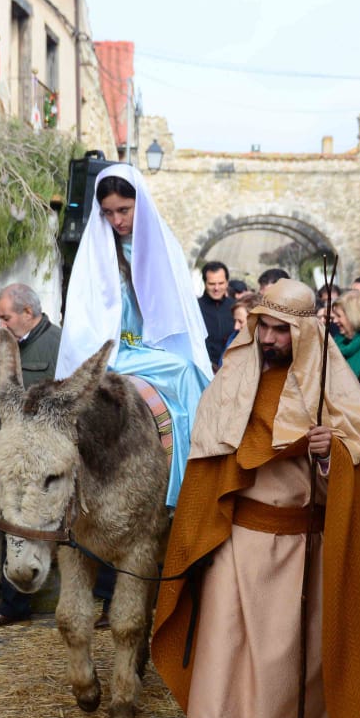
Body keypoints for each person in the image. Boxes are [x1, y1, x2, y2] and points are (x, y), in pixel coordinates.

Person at [152, 278, 360, 718]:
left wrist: (330, 454)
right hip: (236, 534)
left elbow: (357, 463)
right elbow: (209, 456)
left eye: (282, 330)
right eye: (264, 326)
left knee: (288, 651)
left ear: (304, 333)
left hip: (298, 540)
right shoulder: (232, 379)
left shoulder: (332, 385)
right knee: (223, 645)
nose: (270, 339)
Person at [57, 164, 213, 508]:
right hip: (115, 351)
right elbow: (86, 318)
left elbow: (175, 312)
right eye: (108, 213)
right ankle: (185, 491)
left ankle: (205, 469)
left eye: (124, 210)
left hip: (149, 347)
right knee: (184, 372)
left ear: (139, 204)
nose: (117, 220)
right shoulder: (96, 254)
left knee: (191, 373)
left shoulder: (163, 248)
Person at [0, 284, 65, 628]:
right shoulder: (11, 346)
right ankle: (13, 605)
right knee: (14, 525)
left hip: (47, 458)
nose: (2, 324)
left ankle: (105, 600)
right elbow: (3, 402)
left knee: (76, 528)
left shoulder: (58, 344)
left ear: (28, 312)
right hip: (15, 458)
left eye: (6, 316)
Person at [197, 260, 235, 369]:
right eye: (212, 284)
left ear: (227, 282)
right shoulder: (194, 309)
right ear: (204, 283)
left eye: (221, 283)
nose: (216, 288)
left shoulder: (236, 308)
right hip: (202, 369)